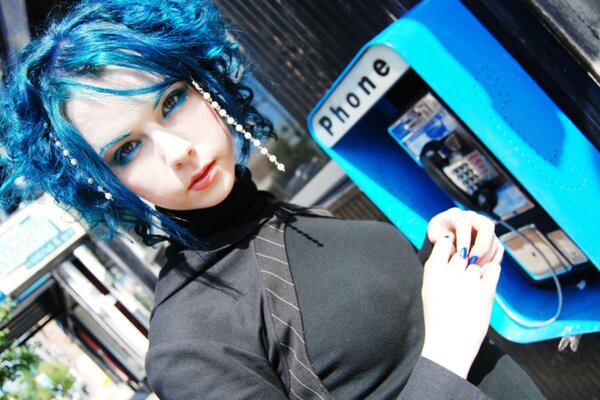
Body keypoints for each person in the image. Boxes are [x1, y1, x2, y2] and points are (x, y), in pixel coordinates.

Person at [0, 0, 544, 399]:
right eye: (126, 150)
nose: (178, 152)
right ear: (103, 183)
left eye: (170, 102)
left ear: (203, 84)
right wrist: (449, 345)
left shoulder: (280, 219)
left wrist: (447, 261)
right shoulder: (189, 344)